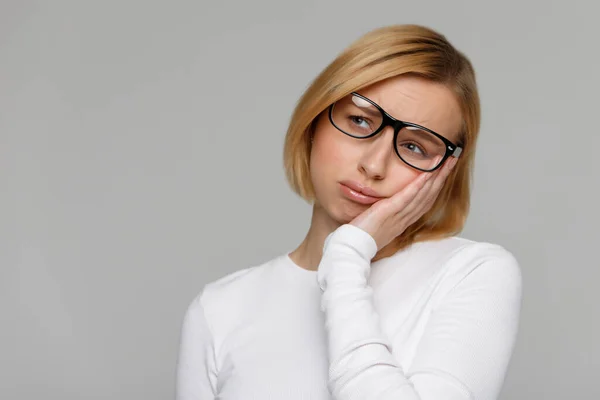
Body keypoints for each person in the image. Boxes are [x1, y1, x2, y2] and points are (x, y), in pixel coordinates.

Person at [175, 24, 522, 400]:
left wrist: (346, 255)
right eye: (360, 121)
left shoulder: (471, 272)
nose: (375, 165)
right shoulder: (220, 308)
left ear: (445, 172)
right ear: (314, 120)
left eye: (415, 147)